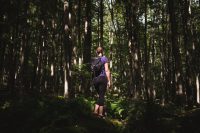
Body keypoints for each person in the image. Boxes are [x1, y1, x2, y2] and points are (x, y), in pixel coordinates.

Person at [92, 46, 111, 118]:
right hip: (102, 78)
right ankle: (100, 114)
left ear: (96, 52)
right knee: (102, 96)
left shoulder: (94, 60)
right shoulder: (104, 58)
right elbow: (106, 70)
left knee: (100, 95)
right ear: (102, 52)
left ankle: (95, 111)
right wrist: (109, 81)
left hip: (95, 80)